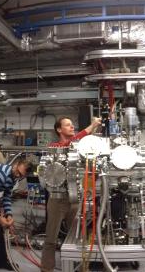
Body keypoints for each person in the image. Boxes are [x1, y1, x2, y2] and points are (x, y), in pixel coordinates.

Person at [40, 116, 100, 272]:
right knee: (51, 238)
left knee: (78, 237)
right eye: (68, 125)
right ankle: (47, 268)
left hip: (74, 198)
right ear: (59, 129)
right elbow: (68, 143)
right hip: (57, 200)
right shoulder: (54, 147)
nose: (72, 127)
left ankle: (81, 268)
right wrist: (90, 127)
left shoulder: (78, 147)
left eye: (73, 125)